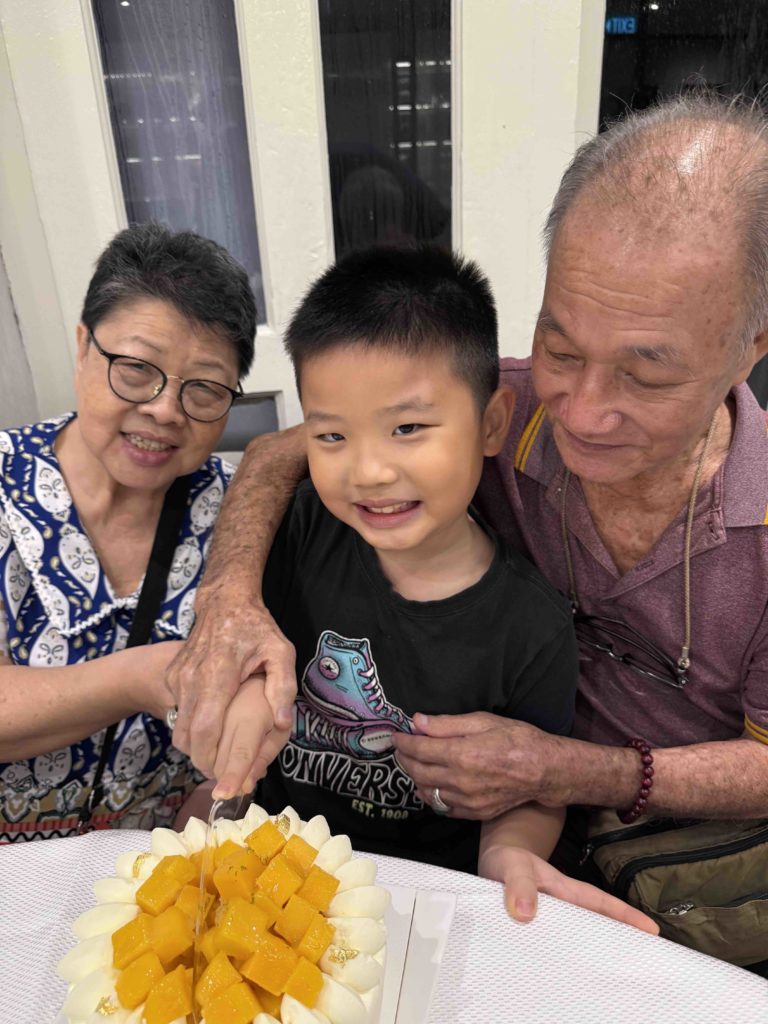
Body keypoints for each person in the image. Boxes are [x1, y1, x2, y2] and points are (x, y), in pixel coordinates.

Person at [166, 91, 768, 915]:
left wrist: (569, 770)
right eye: (560, 345)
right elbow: (290, 450)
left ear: (751, 347)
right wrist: (229, 600)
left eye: (646, 374)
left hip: (669, 861)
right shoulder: (491, 408)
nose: (582, 410)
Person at [210, 245, 655, 931]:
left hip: (426, 904)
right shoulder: (298, 531)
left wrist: (510, 854)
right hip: (274, 872)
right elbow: (241, 648)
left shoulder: (529, 623)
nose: (369, 471)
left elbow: (528, 792)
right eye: (331, 434)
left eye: (408, 429)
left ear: (492, 424)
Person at [0, 221, 269, 841]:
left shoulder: (238, 515)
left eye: (203, 389)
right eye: (137, 368)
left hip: (149, 887)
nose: (165, 409)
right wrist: (137, 679)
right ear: (82, 347)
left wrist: (223, 786)